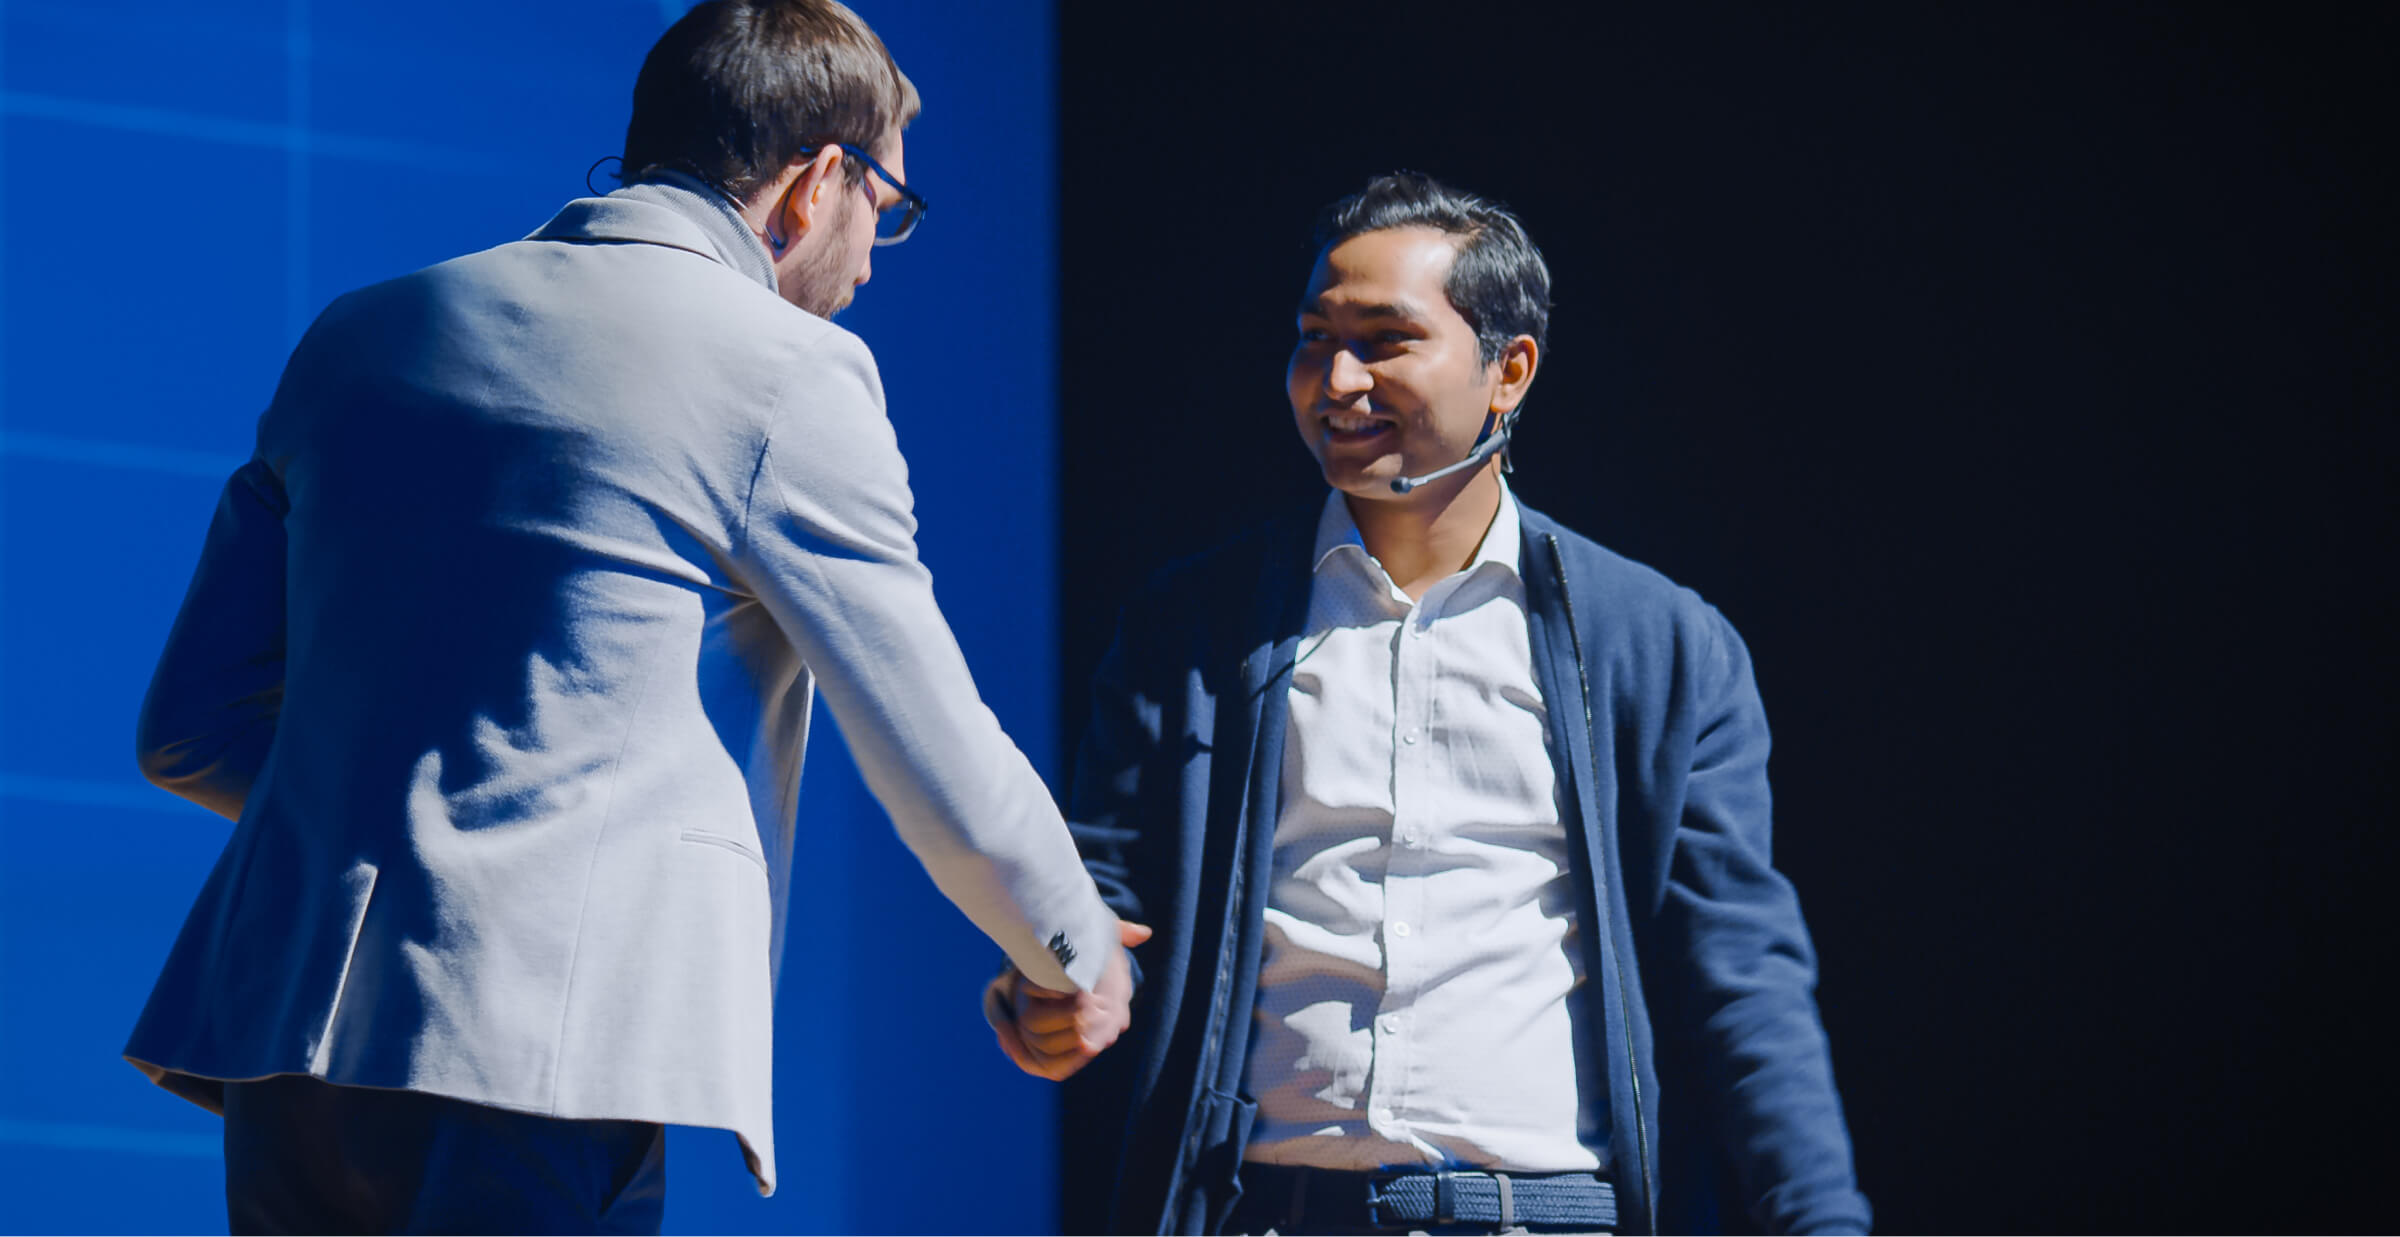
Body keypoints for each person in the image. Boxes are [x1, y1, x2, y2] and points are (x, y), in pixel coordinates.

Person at [123, 2, 1134, 1232]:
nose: (874, 257)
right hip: (535, 1047)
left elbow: (188, 726)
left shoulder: (360, 335)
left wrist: (408, 808)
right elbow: (932, 743)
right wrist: (1076, 951)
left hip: (283, 1044)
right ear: (818, 183)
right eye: (887, 207)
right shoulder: (783, 370)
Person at [988, 173, 1871, 1235]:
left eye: (1385, 339)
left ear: (1510, 370)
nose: (1338, 378)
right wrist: (1052, 980)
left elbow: (1741, 984)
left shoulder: (1658, 644)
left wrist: (1819, 1219)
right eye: (1315, 338)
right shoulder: (1193, 628)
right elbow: (1103, 885)